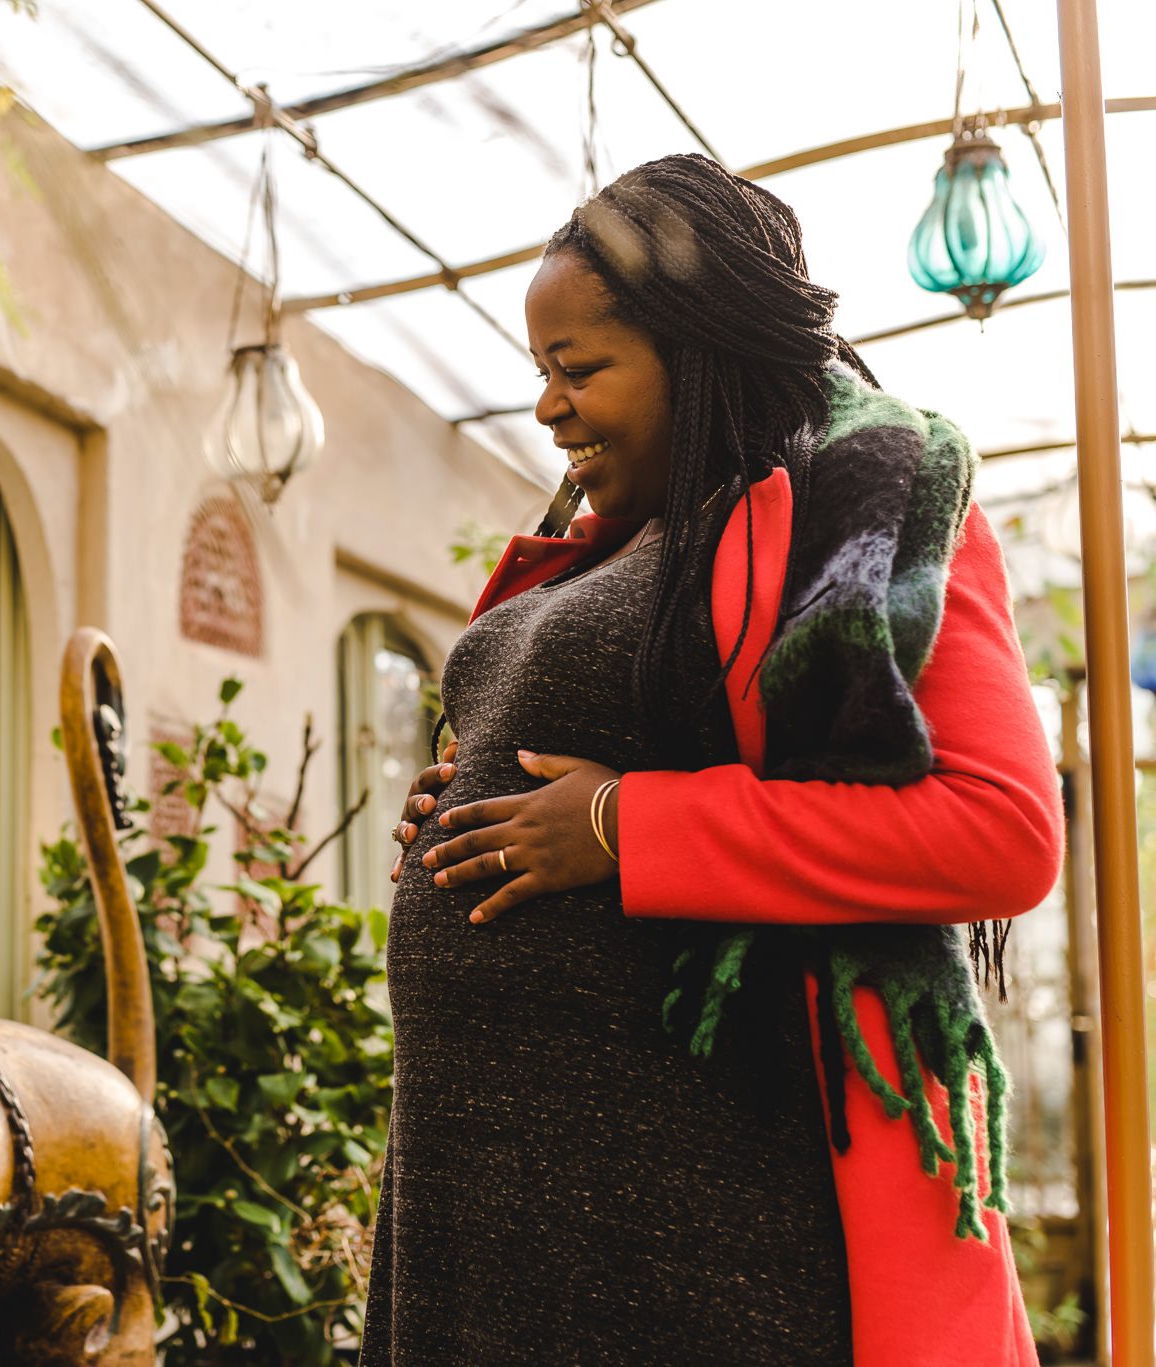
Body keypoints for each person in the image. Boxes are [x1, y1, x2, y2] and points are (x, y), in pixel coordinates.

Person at [360, 155, 1062, 1367]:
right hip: (482, 1201)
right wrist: (463, 794)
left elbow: (998, 831)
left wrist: (626, 823)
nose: (546, 408)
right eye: (540, 373)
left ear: (701, 348)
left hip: (697, 1217)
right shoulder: (596, 548)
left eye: (579, 370)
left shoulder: (859, 514)